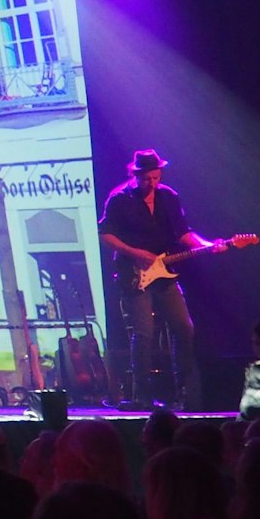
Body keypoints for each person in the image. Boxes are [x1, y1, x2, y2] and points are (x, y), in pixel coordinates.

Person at [99, 148, 231, 408]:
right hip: (133, 274)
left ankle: (183, 391)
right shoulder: (119, 199)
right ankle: (142, 396)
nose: (152, 184)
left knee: (184, 327)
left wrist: (208, 245)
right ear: (135, 175)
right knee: (143, 333)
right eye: (147, 179)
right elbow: (105, 234)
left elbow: (184, 234)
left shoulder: (169, 197)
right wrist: (135, 253)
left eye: (156, 178)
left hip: (165, 273)